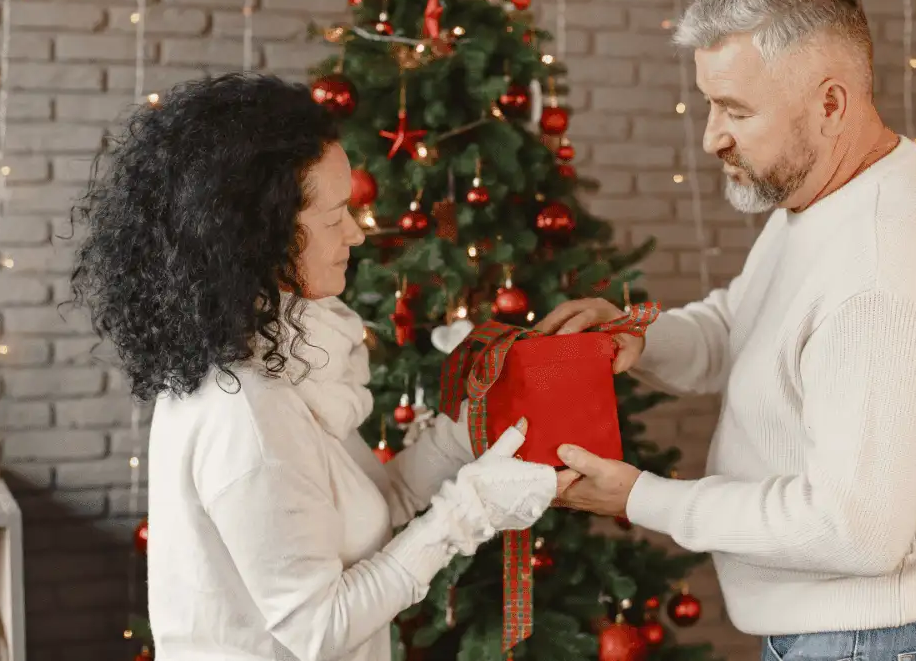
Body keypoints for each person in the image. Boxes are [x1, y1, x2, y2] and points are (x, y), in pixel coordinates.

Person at [541, 0, 916, 660]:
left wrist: (644, 497)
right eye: (711, 102)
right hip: (862, 635)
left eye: (736, 109)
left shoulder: (883, 274)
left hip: (889, 641)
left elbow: (854, 531)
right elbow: (741, 325)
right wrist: (637, 338)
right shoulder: (821, 197)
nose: (711, 135)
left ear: (830, 105)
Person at [68, 73, 559, 661]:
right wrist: (467, 514)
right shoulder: (245, 412)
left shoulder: (283, 354)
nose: (356, 232)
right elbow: (317, 628)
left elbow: (373, 506)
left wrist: (469, 430)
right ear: (258, 237)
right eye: (334, 217)